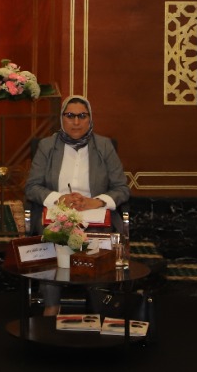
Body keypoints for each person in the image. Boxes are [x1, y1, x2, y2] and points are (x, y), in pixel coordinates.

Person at [24, 95, 129, 312]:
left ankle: (97, 305)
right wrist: (58, 198)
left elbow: (122, 188)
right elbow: (32, 187)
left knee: (99, 240)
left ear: (90, 119)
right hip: (57, 214)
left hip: (95, 215)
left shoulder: (104, 146)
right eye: (70, 115)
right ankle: (52, 306)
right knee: (52, 235)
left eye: (82, 116)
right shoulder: (47, 146)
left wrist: (97, 201)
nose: (76, 121)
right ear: (61, 118)